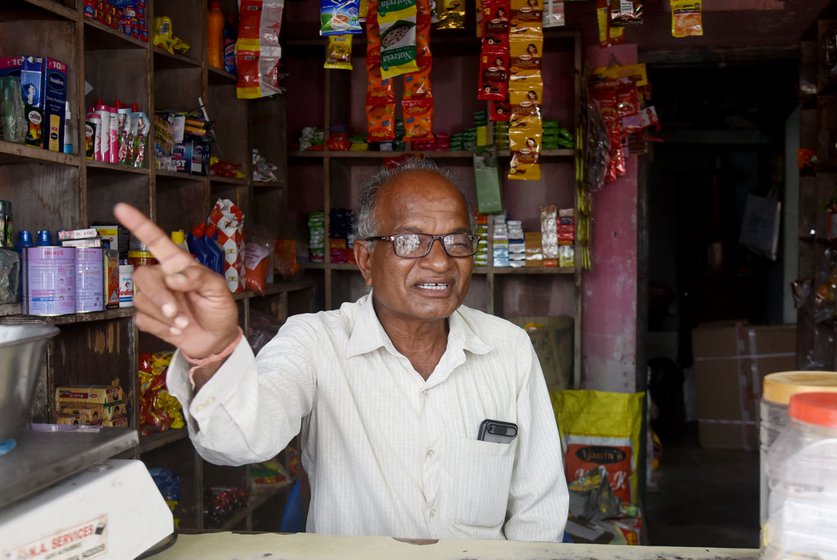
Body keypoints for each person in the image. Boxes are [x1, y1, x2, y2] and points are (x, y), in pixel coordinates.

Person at [113, 158, 568, 541]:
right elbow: (239, 441)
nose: (439, 261)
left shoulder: (508, 349)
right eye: (410, 241)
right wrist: (212, 356)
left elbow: (538, 506)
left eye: (457, 241)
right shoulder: (314, 342)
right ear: (366, 259)